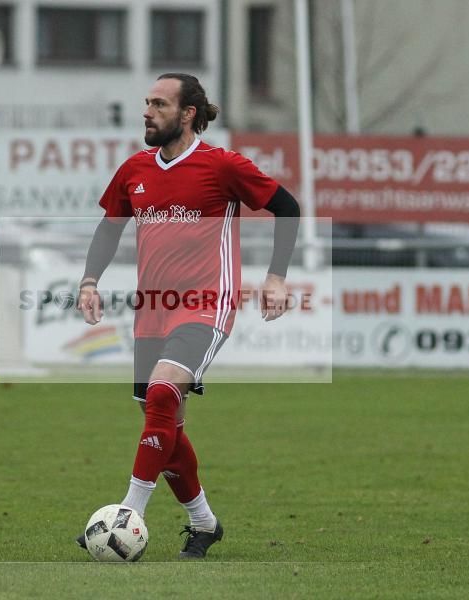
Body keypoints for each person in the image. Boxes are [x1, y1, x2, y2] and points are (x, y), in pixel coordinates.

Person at [75, 73, 300, 558]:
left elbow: (287, 206)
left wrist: (276, 276)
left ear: (188, 113)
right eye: (147, 103)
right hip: (152, 311)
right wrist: (90, 280)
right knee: (165, 424)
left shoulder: (222, 166)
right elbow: (110, 228)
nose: (147, 111)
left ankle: (125, 516)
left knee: (160, 395)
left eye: (159, 103)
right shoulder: (134, 169)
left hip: (206, 303)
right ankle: (204, 523)